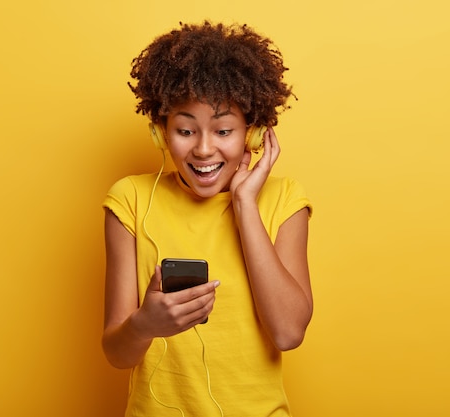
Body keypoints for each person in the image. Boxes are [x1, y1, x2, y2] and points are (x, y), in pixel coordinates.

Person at [102, 21, 313, 417]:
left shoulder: (285, 200)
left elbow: (288, 333)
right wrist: (146, 324)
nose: (203, 149)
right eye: (185, 129)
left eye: (223, 130)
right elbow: (116, 353)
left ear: (252, 134)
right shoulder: (129, 201)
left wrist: (245, 204)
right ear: (160, 133)